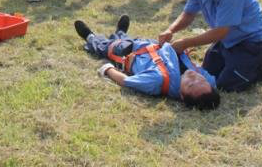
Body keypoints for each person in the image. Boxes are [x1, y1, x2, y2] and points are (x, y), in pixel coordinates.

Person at [74, 16, 219, 109]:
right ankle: (120, 32)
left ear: (181, 95)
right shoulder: (206, 83)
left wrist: (107, 69)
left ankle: (90, 37)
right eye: (202, 80)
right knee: (125, 38)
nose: (195, 77)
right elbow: (211, 83)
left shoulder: (156, 81)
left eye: (190, 84)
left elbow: (126, 81)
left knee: (107, 46)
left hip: (128, 52)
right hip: (149, 44)